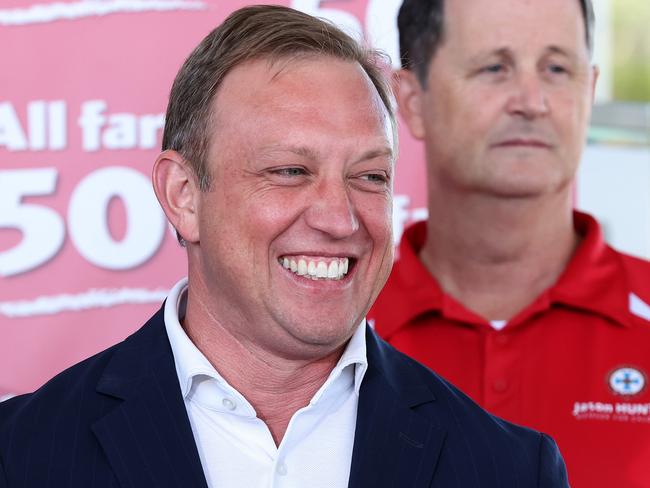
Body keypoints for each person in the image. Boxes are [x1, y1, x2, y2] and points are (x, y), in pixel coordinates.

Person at [0, 5, 569, 487]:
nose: (338, 217)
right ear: (183, 196)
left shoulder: (511, 469)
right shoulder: (19, 453)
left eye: (370, 176)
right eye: (291, 170)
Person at [369, 0, 650, 486]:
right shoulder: (331, 331)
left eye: (557, 68)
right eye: (495, 67)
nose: (531, 100)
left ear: (591, 89)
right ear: (413, 100)